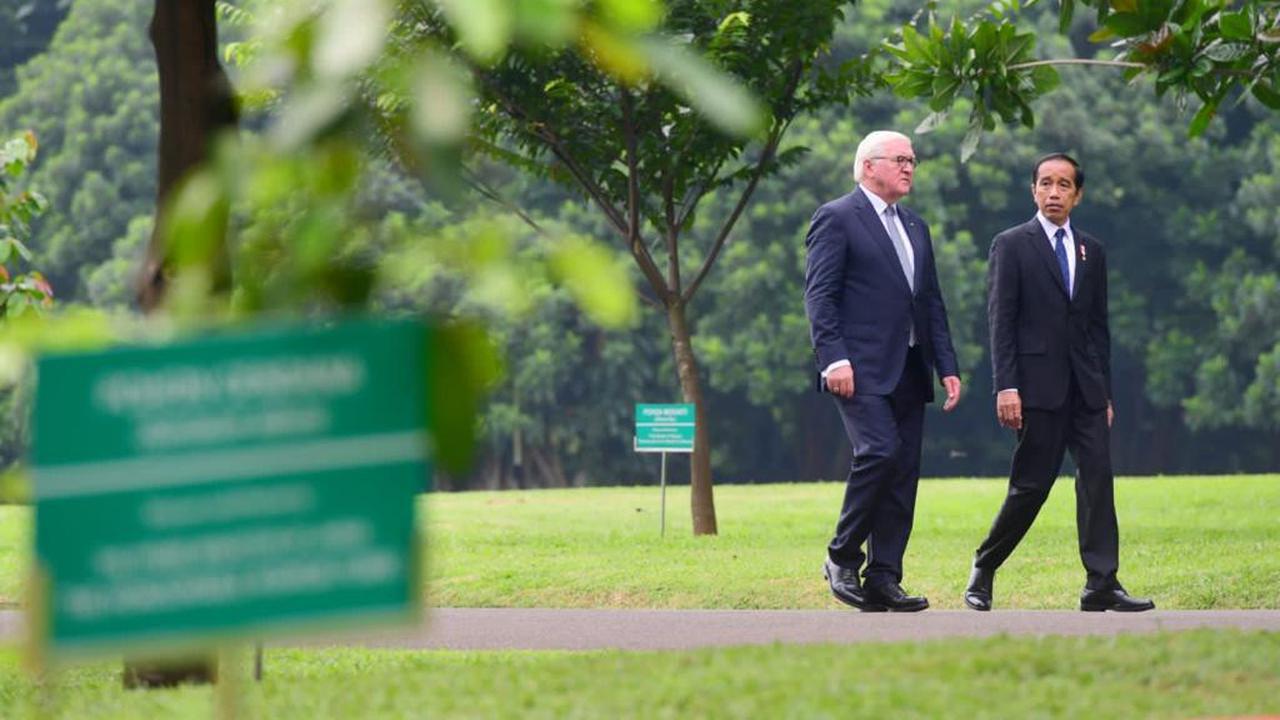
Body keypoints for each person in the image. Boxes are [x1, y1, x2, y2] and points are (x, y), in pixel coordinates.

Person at [964, 152, 1154, 613]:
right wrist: (1006, 386)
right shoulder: (1012, 244)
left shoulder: (1092, 250)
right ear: (1033, 191)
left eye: (1063, 185)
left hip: (1086, 391)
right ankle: (985, 566)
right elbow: (1001, 322)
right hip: (1035, 389)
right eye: (1045, 183)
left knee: (1097, 482)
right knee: (1030, 487)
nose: (1054, 192)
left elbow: (1097, 328)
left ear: (1077, 195)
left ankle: (1101, 583)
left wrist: (1104, 393)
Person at [804, 130, 962, 612]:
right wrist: (833, 358)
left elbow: (930, 302)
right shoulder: (837, 217)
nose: (909, 167)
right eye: (900, 159)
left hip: (911, 368)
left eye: (913, 160)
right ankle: (841, 556)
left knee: (903, 471)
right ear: (869, 166)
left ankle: (884, 577)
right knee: (879, 452)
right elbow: (820, 296)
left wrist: (947, 365)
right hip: (858, 367)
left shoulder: (916, 226)